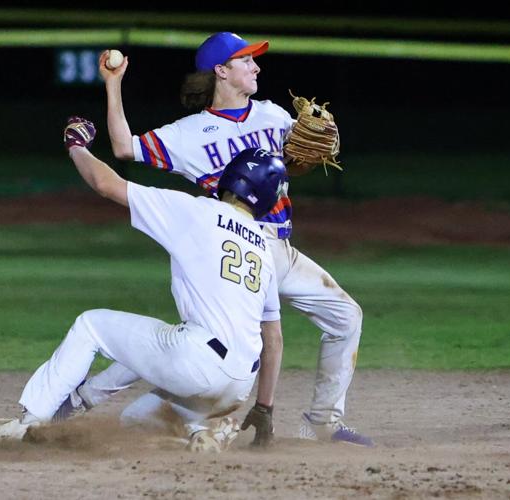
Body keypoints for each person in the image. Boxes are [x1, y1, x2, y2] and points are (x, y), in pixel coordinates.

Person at [73, 32, 373, 447]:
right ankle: (86, 396)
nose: (257, 67)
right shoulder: (189, 133)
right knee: (200, 341)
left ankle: (321, 422)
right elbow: (124, 148)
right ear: (221, 70)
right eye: (247, 60)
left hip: (279, 248)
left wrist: (311, 154)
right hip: (231, 247)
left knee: (346, 318)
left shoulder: (274, 116)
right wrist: (113, 82)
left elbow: (290, 170)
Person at [0, 118, 286, 452]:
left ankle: (28, 422)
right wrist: (264, 407)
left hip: (195, 362)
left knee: (91, 325)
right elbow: (274, 338)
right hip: (237, 387)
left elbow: (106, 184)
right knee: (135, 419)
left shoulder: (197, 211)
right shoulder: (265, 249)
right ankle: (198, 434)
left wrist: (76, 148)